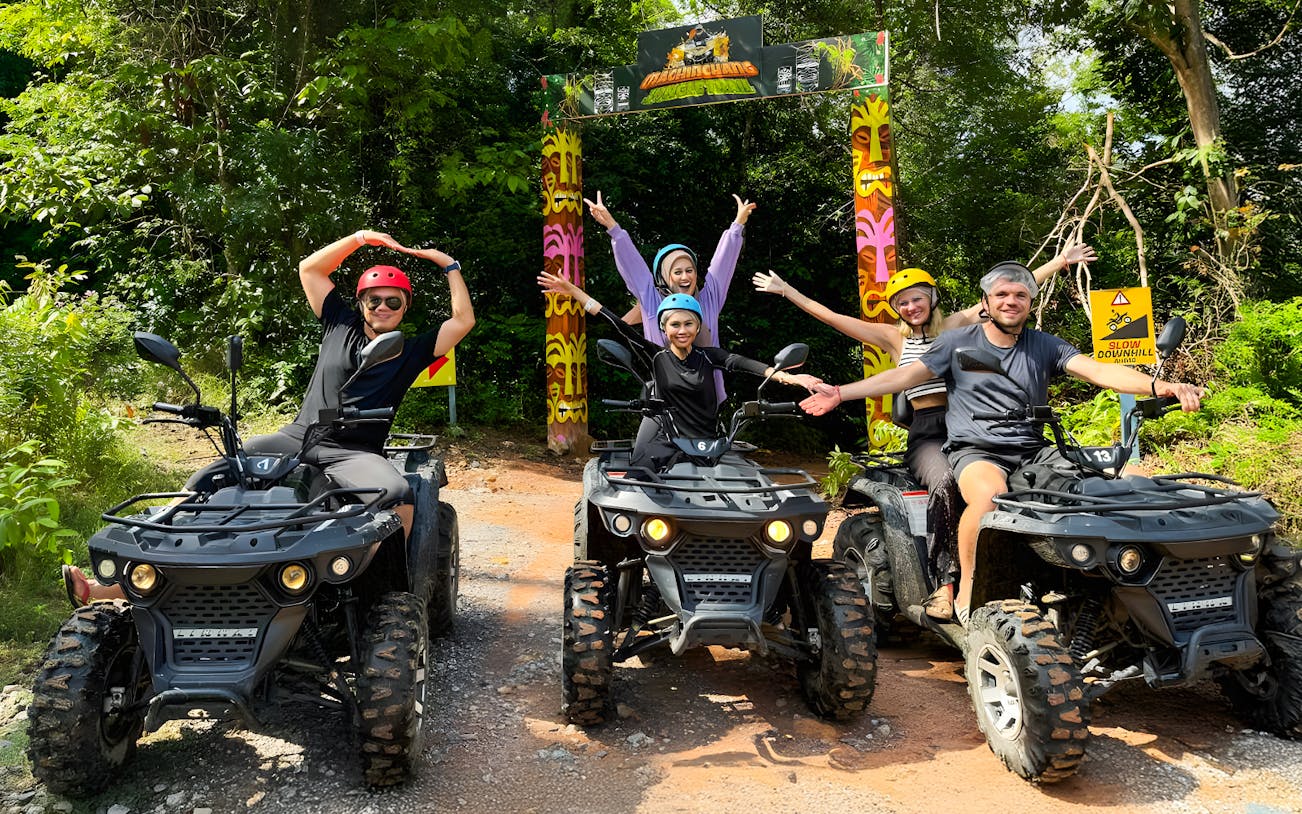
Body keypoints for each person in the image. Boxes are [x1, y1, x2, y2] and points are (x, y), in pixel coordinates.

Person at [63, 229, 476, 606]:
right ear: (361, 303)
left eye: (393, 301)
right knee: (218, 475)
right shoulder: (339, 323)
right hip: (299, 437)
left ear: (404, 307)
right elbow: (310, 268)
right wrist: (361, 238)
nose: (383, 306)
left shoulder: (413, 349)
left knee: (396, 490)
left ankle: (384, 594)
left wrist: (448, 264)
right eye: (375, 299)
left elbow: (463, 320)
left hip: (353, 451)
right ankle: (122, 585)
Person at [799, 261, 1203, 627]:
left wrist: (1161, 385)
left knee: (1127, 477)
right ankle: (966, 594)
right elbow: (902, 379)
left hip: (1035, 448)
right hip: (976, 449)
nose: (1011, 301)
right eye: (1002, 295)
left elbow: (1095, 370)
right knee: (990, 498)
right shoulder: (956, 342)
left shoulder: (1045, 344)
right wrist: (841, 392)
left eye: (1020, 295)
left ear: (1030, 302)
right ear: (985, 303)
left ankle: (1135, 587)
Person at [752, 243, 1096, 618]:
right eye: (902, 303)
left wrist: (1060, 262)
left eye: (917, 299)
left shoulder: (957, 327)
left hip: (973, 423)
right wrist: (788, 291)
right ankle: (946, 584)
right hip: (929, 430)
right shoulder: (893, 338)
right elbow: (833, 317)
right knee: (947, 481)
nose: (911, 307)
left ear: (931, 299)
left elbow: (1012, 291)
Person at [537, 271, 820, 470]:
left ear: (698, 327)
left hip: (710, 445)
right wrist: (573, 290)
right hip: (667, 442)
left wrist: (787, 376)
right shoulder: (656, 356)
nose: (682, 330)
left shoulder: (709, 357)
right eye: (675, 324)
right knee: (637, 491)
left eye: (688, 324)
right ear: (663, 328)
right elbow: (614, 321)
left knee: (748, 483)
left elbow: (742, 363)